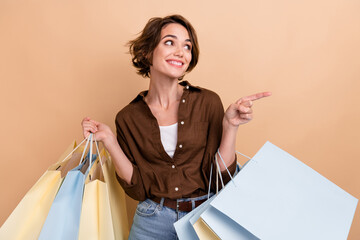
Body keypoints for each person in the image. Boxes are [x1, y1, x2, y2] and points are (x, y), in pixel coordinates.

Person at [82, 14, 271, 240]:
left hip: (203, 217)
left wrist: (230, 126)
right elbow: (137, 189)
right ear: (146, 52)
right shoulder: (128, 117)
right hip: (151, 221)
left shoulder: (208, 102)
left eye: (187, 46)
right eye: (170, 42)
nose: (181, 52)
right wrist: (110, 141)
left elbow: (220, 177)